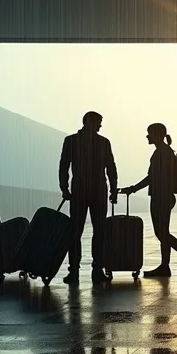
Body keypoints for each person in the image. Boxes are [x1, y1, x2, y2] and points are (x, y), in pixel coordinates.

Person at [118, 123, 177, 278]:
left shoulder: (161, 153)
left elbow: (151, 178)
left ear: (157, 134)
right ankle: (165, 266)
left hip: (161, 197)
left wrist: (133, 188)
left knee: (161, 232)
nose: (147, 136)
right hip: (164, 196)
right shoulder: (164, 151)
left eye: (149, 133)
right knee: (162, 232)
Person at [59, 111, 119, 285]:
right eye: (99, 122)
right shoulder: (103, 142)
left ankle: (74, 272)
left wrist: (64, 187)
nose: (101, 126)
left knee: (76, 233)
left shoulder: (71, 141)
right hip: (98, 192)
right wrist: (113, 190)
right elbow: (111, 168)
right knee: (98, 232)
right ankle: (96, 270)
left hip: (79, 191)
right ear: (90, 122)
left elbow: (64, 166)